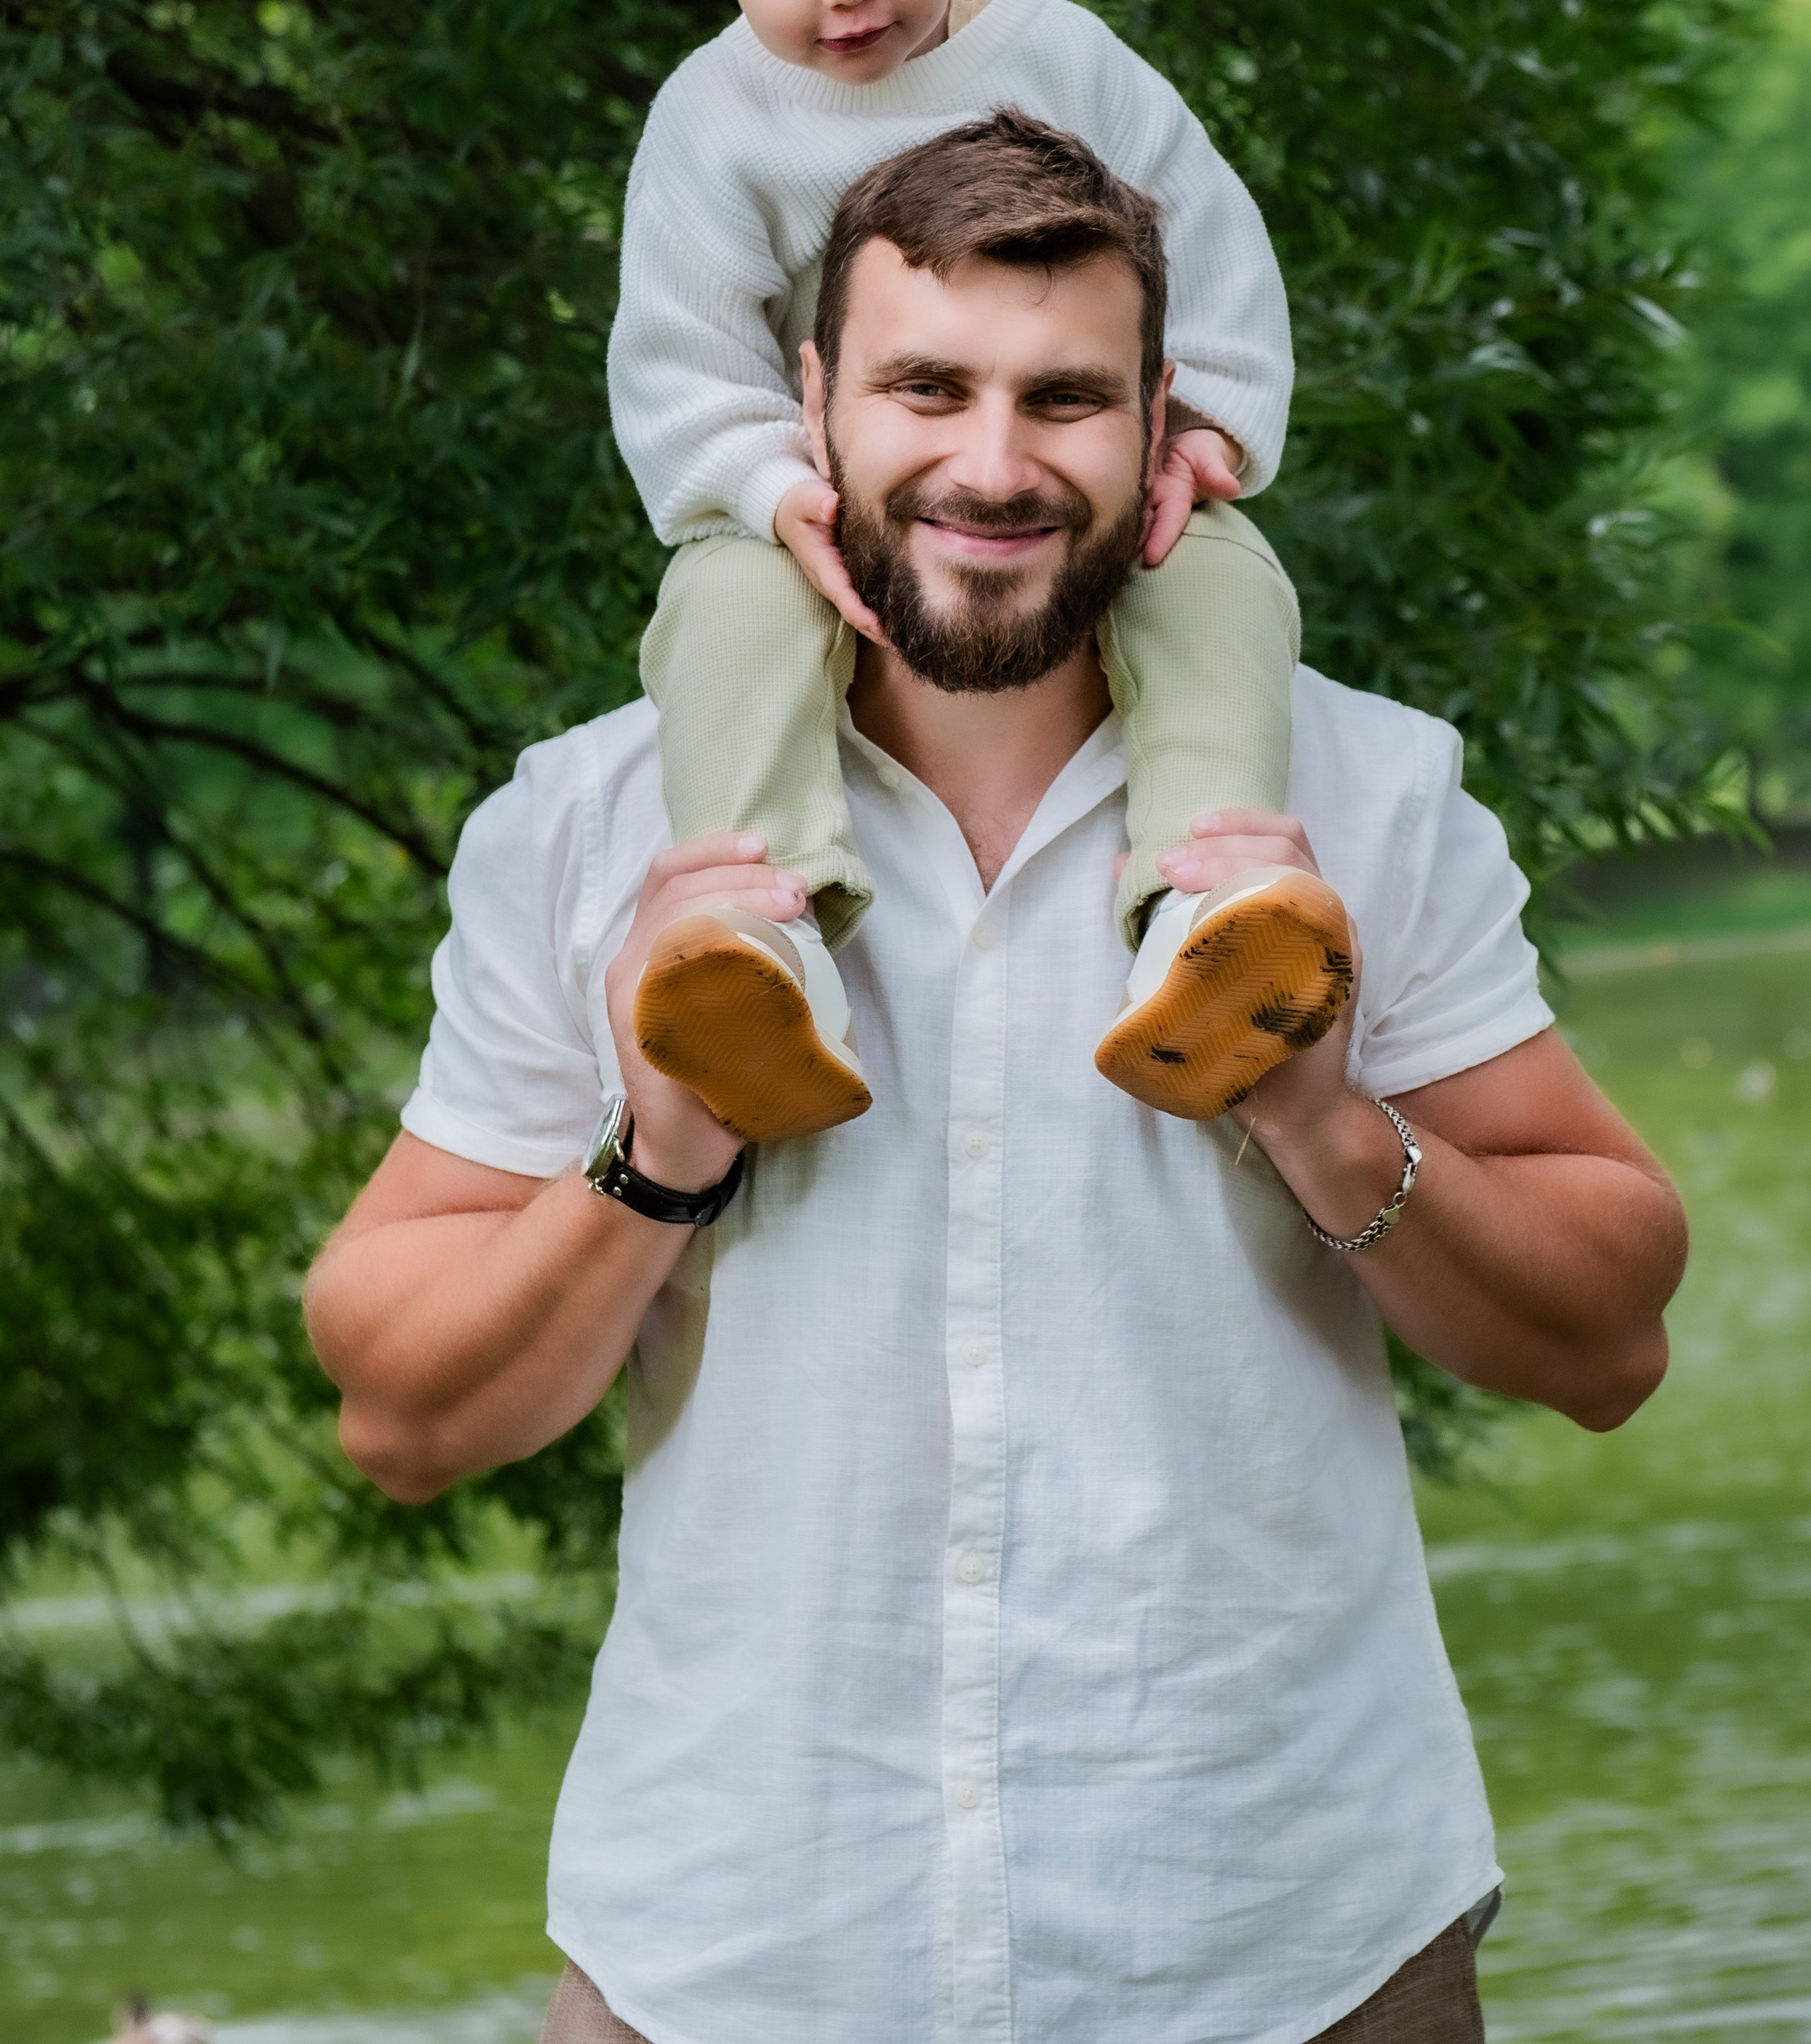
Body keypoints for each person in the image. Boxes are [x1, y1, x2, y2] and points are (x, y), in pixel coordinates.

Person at [308, 112, 1687, 2044]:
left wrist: (1316, 1116)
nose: (992, 461)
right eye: (926, 387)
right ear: (813, 402)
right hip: (738, 1958)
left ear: (1159, 426)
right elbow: (397, 1409)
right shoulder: (593, 825)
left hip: (1287, 1947)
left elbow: (1610, 1334)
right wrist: (661, 1150)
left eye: (1065, 398)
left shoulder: (1360, 800)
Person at [611, 0, 1349, 1144]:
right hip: (831, 490)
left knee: (1212, 576)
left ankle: (1211, 907)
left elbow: (1211, 247)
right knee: (725, 610)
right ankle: (755, 939)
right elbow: (679, 354)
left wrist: (1194, 429)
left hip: (1082, 476)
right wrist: (771, 489)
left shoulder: (1060, 60)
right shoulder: (713, 120)